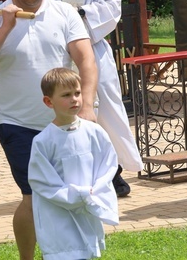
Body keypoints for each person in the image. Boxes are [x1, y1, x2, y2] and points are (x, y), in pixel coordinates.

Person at [0, 0, 97, 260]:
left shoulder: (64, 13)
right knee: (35, 194)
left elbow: (86, 59)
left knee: (71, 194)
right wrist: (7, 27)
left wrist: (88, 105)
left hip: (63, 123)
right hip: (16, 123)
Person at [36, 0, 143, 196]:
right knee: (63, 111)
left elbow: (111, 2)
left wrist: (81, 14)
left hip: (90, 46)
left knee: (103, 108)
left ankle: (114, 172)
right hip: (56, 54)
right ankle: (72, 173)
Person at [28, 68, 119, 260]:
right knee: (65, 253)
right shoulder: (43, 141)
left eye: (77, 93)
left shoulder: (94, 132)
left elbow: (108, 164)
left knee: (85, 252)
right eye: (66, 95)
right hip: (57, 212)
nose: (74, 99)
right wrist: (76, 195)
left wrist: (93, 192)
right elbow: (42, 181)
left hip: (87, 207)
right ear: (48, 101)